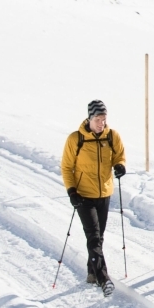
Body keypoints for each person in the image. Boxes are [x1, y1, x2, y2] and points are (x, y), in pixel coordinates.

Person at [62, 99, 126, 291]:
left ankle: (92, 271)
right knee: (94, 236)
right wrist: (71, 191)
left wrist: (120, 165)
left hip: (104, 193)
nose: (102, 123)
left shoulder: (112, 136)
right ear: (90, 118)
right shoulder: (76, 139)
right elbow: (66, 167)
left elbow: (119, 155)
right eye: (98, 119)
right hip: (83, 195)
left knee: (99, 236)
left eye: (104, 119)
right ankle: (102, 278)